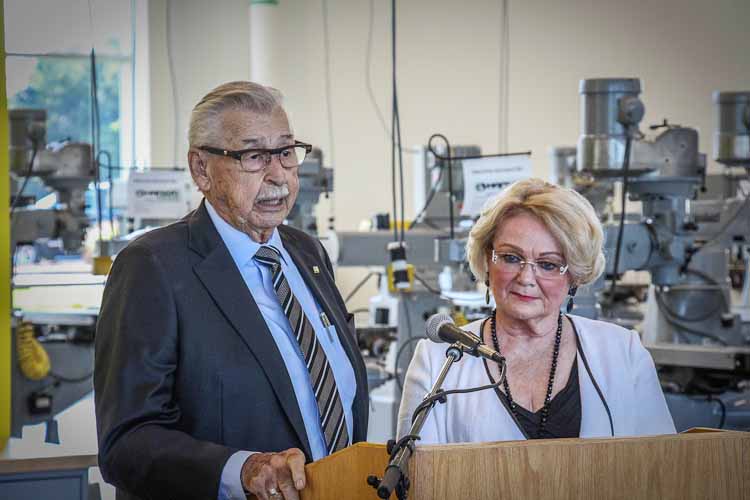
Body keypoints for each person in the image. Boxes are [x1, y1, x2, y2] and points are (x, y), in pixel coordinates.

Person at [95, 81, 369, 500]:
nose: (278, 174)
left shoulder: (307, 252)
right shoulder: (153, 266)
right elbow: (127, 443)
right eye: (254, 156)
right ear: (201, 169)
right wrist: (242, 469)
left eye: (285, 152)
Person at [397, 178, 675, 443]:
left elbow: (662, 469)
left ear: (575, 276)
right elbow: (417, 480)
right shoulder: (437, 362)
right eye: (511, 258)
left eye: (549, 264)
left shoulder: (622, 352)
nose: (526, 278)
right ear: (486, 259)